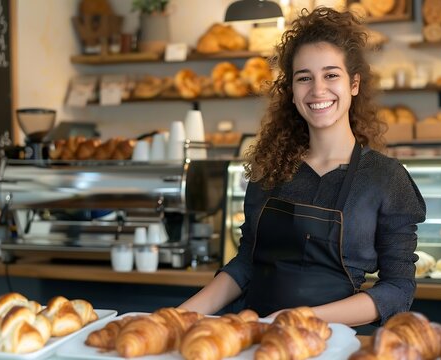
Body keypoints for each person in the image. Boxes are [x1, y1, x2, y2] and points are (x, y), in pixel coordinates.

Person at [179, 7, 426, 326]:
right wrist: (179, 316)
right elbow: (245, 266)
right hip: (256, 336)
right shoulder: (272, 169)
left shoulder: (385, 178)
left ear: (353, 84)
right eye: (304, 78)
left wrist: (303, 318)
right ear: (292, 93)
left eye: (331, 75)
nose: (318, 89)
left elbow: (397, 289)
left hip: (330, 342)